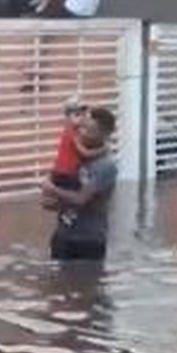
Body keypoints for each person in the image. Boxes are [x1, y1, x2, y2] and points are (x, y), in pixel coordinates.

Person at [41, 106, 118, 261]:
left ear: (105, 134)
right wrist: (51, 201)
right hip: (63, 235)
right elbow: (58, 199)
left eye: (90, 131)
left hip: (88, 241)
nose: (83, 133)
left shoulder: (105, 166)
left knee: (86, 283)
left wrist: (52, 189)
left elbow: (80, 199)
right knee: (57, 282)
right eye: (82, 128)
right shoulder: (74, 158)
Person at [50, 96, 87, 192]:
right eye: (77, 115)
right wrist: (100, 150)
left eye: (83, 114)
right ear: (67, 117)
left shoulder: (76, 131)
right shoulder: (70, 132)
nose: (81, 118)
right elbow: (83, 152)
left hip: (68, 172)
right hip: (65, 174)